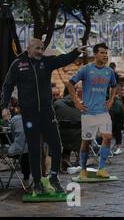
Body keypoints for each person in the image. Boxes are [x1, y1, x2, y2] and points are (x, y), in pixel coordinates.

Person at [1, 38, 85, 194]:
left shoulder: (46, 62)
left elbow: (62, 59)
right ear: (29, 48)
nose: (40, 51)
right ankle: (37, 182)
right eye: (37, 48)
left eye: (42, 48)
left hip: (47, 111)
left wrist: (76, 51)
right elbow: (7, 85)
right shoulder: (18, 64)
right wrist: (4, 106)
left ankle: (54, 178)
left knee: (56, 146)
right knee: (34, 149)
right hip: (29, 113)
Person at [67, 43, 117, 179]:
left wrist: (111, 100)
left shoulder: (109, 72)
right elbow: (70, 83)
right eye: (102, 53)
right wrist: (77, 102)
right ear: (95, 54)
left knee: (107, 137)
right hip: (88, 112)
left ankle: (101, 168)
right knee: (86, 142)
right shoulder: (86, 69)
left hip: (103, 111)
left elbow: (114, 86)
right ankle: (83, 169)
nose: (105, 56)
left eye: (106, 53)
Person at [53, 86, 82, 170]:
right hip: (79, 139)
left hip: (62, 139)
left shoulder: (57, 104)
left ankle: (65, 158)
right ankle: (80, 158)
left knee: (63, 133)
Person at [8, 106, 31, 189]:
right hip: (35, 151)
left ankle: (26, 178)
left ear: (18, 109)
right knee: (26, 152)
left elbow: (13, 136)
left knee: (20, 149)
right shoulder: (37, 118)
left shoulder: (14, 119)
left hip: (20, 150)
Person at [109, 86, 124, 155]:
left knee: (116, 125)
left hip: (122, 123)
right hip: (110, 122)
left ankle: (118, 147)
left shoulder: (117, 103)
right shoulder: (108, 102)